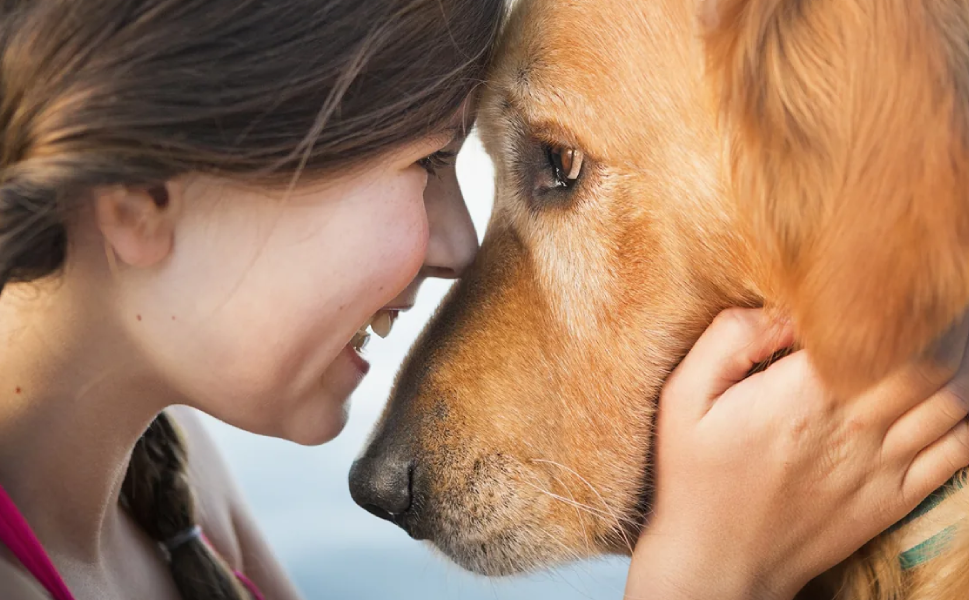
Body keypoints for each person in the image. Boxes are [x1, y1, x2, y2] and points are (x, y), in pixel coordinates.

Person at [0, 1, 966, 600]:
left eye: (555, 163)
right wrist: (706, 584)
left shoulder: (168, 484)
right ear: (142, 198)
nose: (456, 246)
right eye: (422, 165)